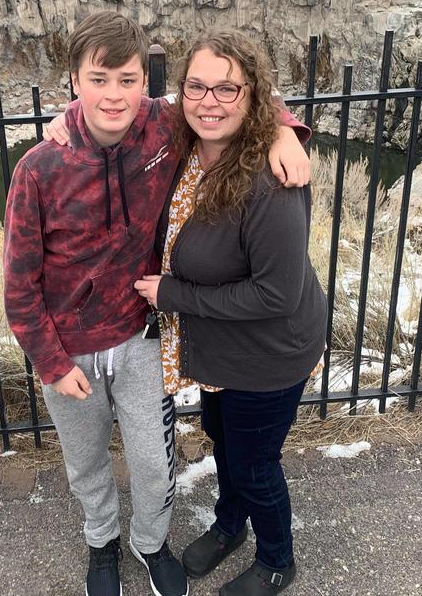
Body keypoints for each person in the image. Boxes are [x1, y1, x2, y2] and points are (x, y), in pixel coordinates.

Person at [3, 12, 311, 596]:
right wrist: (51, 361)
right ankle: (101, 543)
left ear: (146, 82)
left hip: (142, 337)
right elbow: (19, 286)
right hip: (69, 352)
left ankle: (149, 543)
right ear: (74, 81)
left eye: (126, 79)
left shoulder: (163, 128)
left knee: (153, 463)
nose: (113, 94)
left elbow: (231, 100)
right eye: (98, 79)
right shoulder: (39, 169)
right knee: (86, 462)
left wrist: (283, 130)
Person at [133, 32, 328, 595]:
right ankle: (228, 526)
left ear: (251, 95)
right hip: (221, 348)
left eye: (226, 88)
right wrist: (63, 125)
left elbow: (276, 296)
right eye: (197, 86)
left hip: (268, 354)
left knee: (254, 463)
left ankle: (276, 560)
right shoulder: (187, 141)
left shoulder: (272, 182)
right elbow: (111, 106)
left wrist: (174, 296)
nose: (209, 100)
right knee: (224, 438)